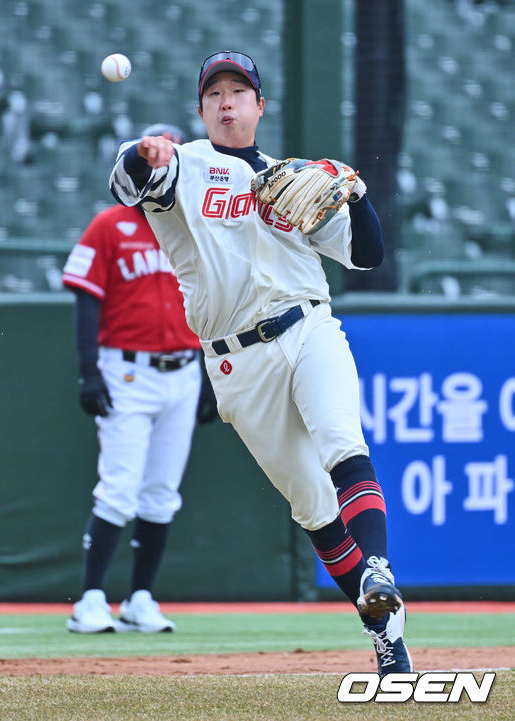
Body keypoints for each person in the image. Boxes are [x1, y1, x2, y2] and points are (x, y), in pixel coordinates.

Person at [109, 52, 412, 674]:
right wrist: (145, 154)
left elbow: (368, 254)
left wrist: (356, 194)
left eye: (238, 91)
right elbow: (125, 183)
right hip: (235, 365)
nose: (226, 102)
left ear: (259, 106)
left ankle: (379, 568)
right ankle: (386, 632)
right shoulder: (185, 166)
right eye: (215, 93)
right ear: (200, 109)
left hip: (307, 327)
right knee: (312, 507)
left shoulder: (294, 178)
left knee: (339, 437)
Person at [63, 123, 217, 634]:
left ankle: (141, 598)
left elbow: (212, 303)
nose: (159, 167)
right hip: (125, 369)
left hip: (183, 368)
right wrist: (89, 370)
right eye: (150, 159)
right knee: (120, 487)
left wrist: (211, 375)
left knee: (161, 491)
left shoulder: (193, 225)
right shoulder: (110, 224)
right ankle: (90, 599)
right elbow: (86, 297)